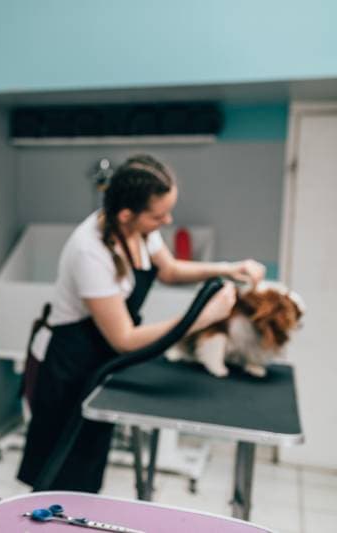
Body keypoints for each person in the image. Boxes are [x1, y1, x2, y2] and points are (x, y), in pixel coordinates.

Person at [17, 154, 265, 493]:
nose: (167, 220)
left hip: (99, 362)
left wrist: (226, 268)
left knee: (87, 477)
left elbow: (170, 270)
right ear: (126, 214)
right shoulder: (90, 251)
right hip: (69, 366)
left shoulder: (139, 230)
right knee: (58, 477)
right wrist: (204, 316)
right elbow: (124, 339)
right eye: (159, 215)